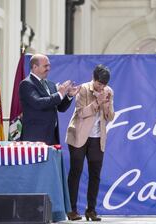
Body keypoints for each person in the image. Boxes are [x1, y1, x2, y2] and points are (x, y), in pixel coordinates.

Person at [65, 64, 115, 221]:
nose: (101, 88)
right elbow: (81, 113)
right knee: (76, 172)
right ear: (93, 79)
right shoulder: (84, 89)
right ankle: (72, 209)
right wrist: (97, 103)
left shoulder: (108, 92)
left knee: (95, 175)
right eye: (99, 84)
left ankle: (91, 210)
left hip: (97, 138)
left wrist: (106, 106)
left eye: (104, 85)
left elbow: (111, 117)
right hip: (79, 136)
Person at [19, 54, 80, 145]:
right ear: (35, 67)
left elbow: (60, 108)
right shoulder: (26, 84)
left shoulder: (50, 84)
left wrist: (68, 96)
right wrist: (59, 93)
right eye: (45, 66)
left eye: (49, 65)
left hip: (52, 136)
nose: (48, 68)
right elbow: (38, 103)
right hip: (35, 137)